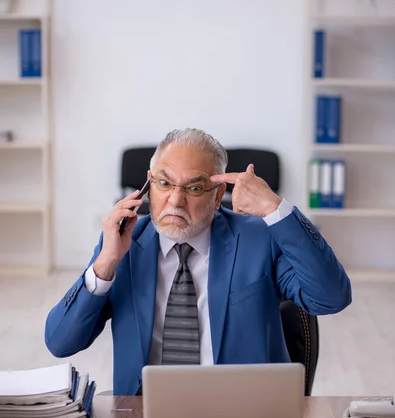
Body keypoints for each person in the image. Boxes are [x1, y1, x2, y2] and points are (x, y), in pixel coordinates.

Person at [45, 128, 352, 395]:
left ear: (218, 196)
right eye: (164, 184)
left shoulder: (259, 239)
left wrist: (277, 209)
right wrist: (105, 263)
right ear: (148, 185)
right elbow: (61, 342)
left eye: (193, 188)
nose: (175, 201)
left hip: (244, 415)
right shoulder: (123, 244)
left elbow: (331, 298)